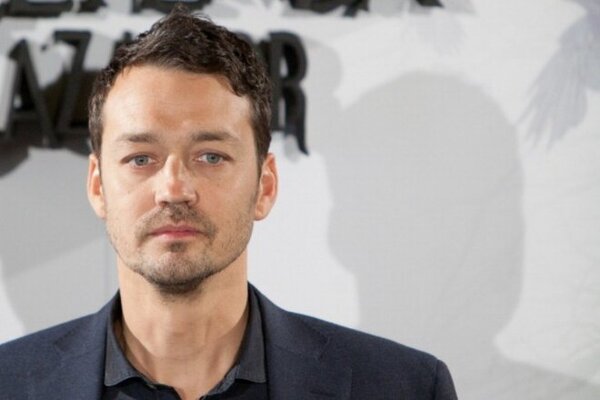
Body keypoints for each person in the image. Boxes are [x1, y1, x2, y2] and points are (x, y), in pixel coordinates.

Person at [0, 5, 458, 400]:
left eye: (211, 157)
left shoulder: (403, 387)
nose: (174, 189)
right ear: (98, 186)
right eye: (141, 158)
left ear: (265, 186)